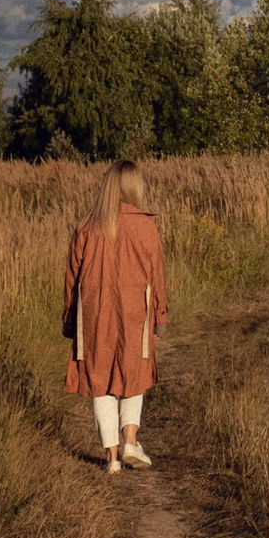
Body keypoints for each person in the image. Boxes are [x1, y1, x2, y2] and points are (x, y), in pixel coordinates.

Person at [63, 159, 169, 473]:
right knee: (134, 373)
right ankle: (131, 441)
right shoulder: (146, 225)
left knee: (99, 378)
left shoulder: (87, 225)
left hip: (95, 311)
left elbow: (72, 275)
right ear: (135, 187)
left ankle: (111, 459)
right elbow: (157, 275)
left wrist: (70, 317)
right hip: (136, 309)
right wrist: (160, 316)